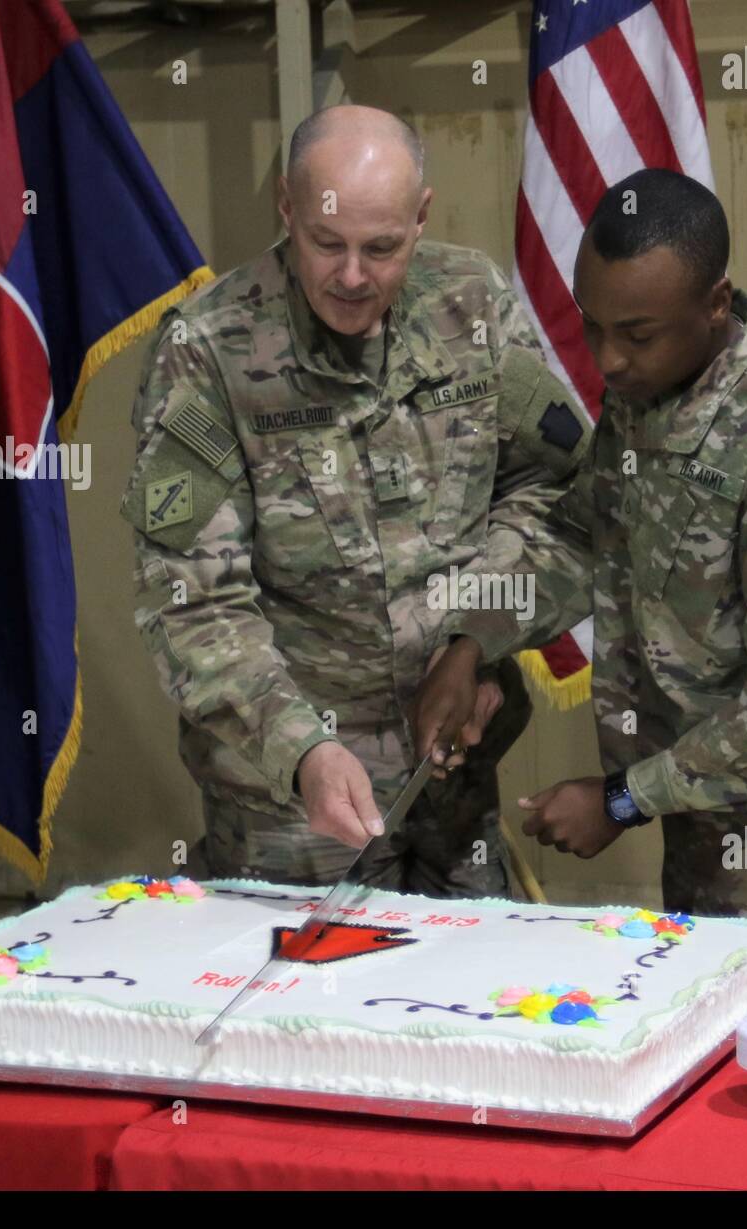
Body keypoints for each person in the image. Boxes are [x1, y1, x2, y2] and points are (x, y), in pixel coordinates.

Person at [423, 169, 747, 987]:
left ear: (716, 305)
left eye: (637, 335)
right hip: (702, 810)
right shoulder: (648, 397)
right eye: (592, 327)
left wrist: (619, 801)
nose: (608, 359)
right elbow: (580, 537)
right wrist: (470, 643)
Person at [121, 104, 589, 896]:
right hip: (289, 812)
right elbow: (191, 601)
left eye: (382, 248)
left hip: (457, 772)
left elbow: (560, 489)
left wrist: (477, 636)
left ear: (422, 218)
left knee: (476, 1007)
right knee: (310, 1014)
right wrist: (302, 749)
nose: (351, 276)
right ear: (286, 210)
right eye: (325, 243)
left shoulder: (470, 306)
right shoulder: (211, 354)